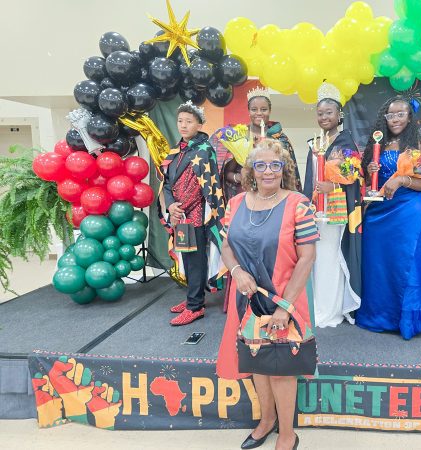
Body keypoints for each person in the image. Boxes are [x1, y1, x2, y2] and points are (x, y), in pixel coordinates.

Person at [217, 139, 317, 450]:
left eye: (275, 164)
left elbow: (307, 258)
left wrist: (285, 307)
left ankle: (287, 433)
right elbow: (226, 245)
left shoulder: (299, 204)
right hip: (246, 300)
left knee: (281, 368)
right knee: (256, 361)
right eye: (261, 165)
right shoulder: (236, 203)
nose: (268, 171)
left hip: (284, 298)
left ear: (284, 169)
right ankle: (266, 420)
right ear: (251, 170)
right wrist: (236, 271)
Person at [355, 96, 421, 340]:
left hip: (408, 212)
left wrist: (402, 179)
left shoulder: (418, 145)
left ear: (409, 117)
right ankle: (380, 315)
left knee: (406, 265)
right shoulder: (377, 144)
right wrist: (370, 172)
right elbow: (369, 184)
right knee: (379, 265)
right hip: (378, 214)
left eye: (401, 114)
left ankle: (407, 319)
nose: (395, 119)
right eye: (391, 115)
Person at [303, 83, 362, 328]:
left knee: (330, 257)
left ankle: (331, 308)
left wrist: (334, 186)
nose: (324, 117)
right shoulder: (315, 143)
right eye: (320, 113)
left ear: (339, 115)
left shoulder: (346, 143)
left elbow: (355, 181)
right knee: (315, 258)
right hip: (316, 211)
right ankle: (315, 305)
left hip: (335, 212)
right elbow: (309, 178)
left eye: (329, 112)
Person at [161, 101, 225, 326]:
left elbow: (203, 187)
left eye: (189, 121)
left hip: (195, 215)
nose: (183, 125)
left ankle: (195, 306)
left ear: (199, 124)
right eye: (180, 121)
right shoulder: (175, 151)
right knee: (187, 259)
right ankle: (192, 297)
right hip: (180, 214)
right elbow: (167, 183)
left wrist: (180, 208)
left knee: (196, 260)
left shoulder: (204, 150)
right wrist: (171, 206)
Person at [212, 85, 302, 202]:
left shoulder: (280, 138)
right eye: (254, 109)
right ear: (248, 111)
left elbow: (289, 173)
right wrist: (239, 177)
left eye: (264, 109)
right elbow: (228, 172)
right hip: (245, 196)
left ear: (270, 111)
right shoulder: (239, 136)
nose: (259, 113)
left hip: (274, 196)